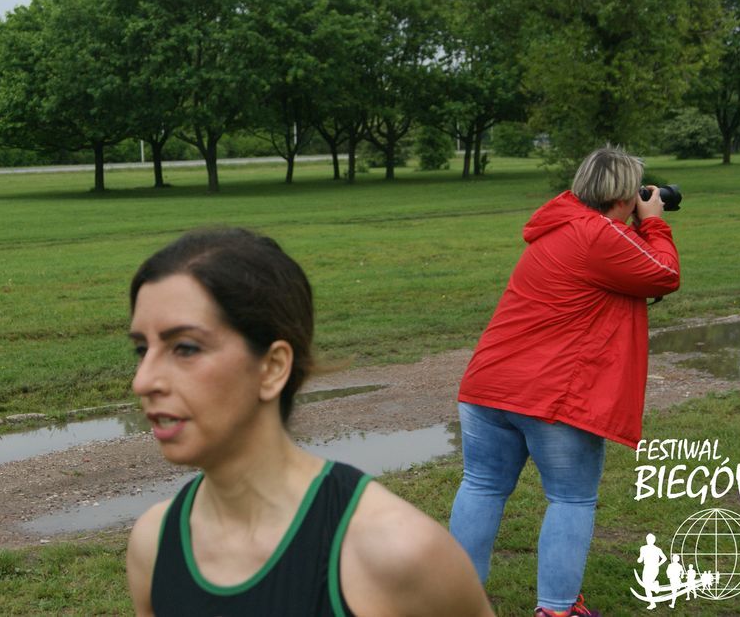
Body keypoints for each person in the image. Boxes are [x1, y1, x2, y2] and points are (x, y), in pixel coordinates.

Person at [125, 228, 493, 617]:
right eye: (142, 350)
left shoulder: (396, 551)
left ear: (272, 367)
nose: (143, 381)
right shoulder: (154, 544)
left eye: (185, 348)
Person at [448, 146, 681, 617]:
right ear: (624, 195)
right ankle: (558, 610)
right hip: (548, 395)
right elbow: (664, 274)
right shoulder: (599, 235)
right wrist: (654, 222)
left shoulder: (560, 224)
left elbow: (625, 266)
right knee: (572, 498)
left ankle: (453, 600)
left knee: (482, 485)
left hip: (488, 384)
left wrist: (636, 226)